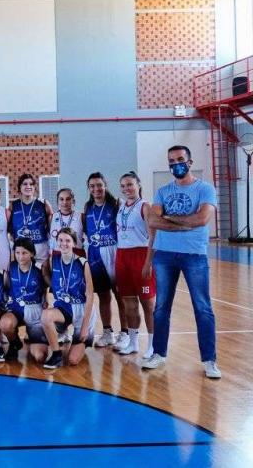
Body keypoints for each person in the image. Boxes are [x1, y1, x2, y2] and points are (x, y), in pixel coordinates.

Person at [143, 145, 221, 379]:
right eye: (171, 161)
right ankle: (159, 353)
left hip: (194, 254)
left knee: (203, 307)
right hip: (164, 255)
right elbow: (153, 221)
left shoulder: (205, 189)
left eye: (179, 159)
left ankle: (209, 360)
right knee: (161, 307)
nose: (175, 164)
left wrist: (169, 218)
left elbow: (202, 219)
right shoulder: (162, 191)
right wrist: (184, 222)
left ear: (189, 161)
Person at [83, 172, 128, 350]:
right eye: (92, 186)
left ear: (105, 185)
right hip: (95, 254)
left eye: (99, 185)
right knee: (103, 296)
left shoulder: (116, 204)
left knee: (120, 295)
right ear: (89, 188)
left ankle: (125, 333)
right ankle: (108, 332)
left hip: (114, 252)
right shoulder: (88, 207)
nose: (96, 189)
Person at [42, 228, 97, 369]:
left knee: (73, 360)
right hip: (64, 307)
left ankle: (81, 339)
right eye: (60, 240)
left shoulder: (83, 263)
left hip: (82, 310)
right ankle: (56, 354)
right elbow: (47, 277)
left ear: (74, 243)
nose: (64, 243)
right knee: (46, 316)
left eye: (68, 240)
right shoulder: (53, 260)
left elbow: (90, 296)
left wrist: (85, 327)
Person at [115, 171, 156, 357]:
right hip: (122, 256)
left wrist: (148, 262)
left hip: (140, 256)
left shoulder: (145, 206)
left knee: (148, 305)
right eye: (123, 186)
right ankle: (133, 343)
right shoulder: (121, 207)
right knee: (129, 304)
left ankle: (153, 346)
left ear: (138, 185)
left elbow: (153, 236)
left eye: (130, 184)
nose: (127, 189)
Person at [0, 237, 48, 363]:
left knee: (39, 356)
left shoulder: (40, 269)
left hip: (35, 311)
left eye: (24, 253)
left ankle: (34, 338)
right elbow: (6, 287)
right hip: (16, 309)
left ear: (32, 253)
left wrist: (46, 300)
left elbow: (47, 287)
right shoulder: (11, 267)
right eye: (17, 253)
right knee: (5, 324)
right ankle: (14, 343)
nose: (20, 257)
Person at [9, 174, 53, 266]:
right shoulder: (13, 205)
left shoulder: (43, 203)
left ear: (34, 187)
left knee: (42, 273)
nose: (28, 186)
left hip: (40, 248)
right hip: (21, 249)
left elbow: (52, 228)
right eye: (25, 184)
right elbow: (9, 228)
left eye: (31, 184)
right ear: (20, 187)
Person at [49, 187, 85, 257]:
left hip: (76, 254)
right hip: (57, 255)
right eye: (61, 199)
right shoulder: (51, 217)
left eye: (68, 199)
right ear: (57, 201)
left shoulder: (81, 217)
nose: (65, 202)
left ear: (73, 201)